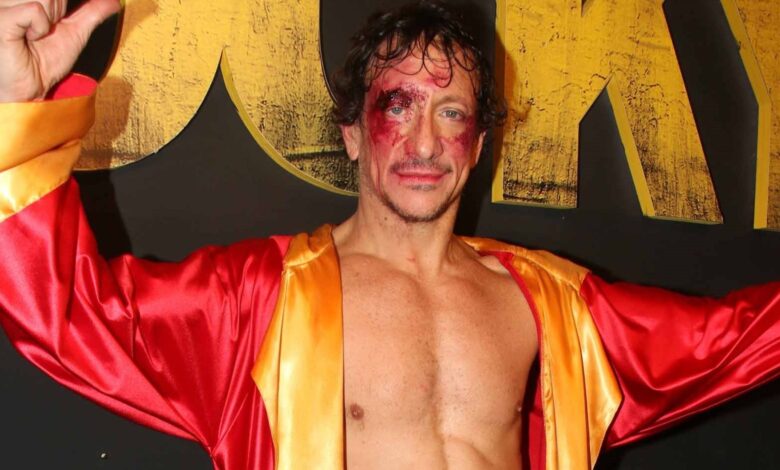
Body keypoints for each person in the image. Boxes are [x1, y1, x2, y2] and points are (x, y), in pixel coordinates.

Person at [0, 1, 779, 469]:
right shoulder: (260, 301)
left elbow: (732, 342)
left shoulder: (551, 305)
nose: (424, 143)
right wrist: (13, 115)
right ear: (350, 133)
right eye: (397, 107)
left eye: (452, 113)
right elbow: (68, 316)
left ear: (479, 144)